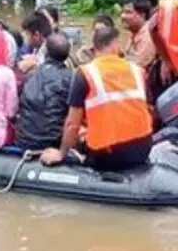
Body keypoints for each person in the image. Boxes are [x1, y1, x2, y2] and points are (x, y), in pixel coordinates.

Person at [41, 26, 153, 172]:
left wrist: (61, 153)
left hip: (108, 155)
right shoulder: (138, 71)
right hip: (143, 149)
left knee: (79, 128)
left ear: (93, 49)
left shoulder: (85, 74)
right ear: (115, 45)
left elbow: (71, 124)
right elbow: (147, 109)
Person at [15, 34, 73, 151]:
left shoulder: (29, 76)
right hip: (55, 142)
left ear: (46, 53)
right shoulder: (71, 79)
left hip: (25, 140)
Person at [119, 0, 156, 68]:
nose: (122, 16)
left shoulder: (148, 35)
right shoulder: (134, 32)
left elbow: (139, 66)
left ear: (142, 15)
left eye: (128, 12)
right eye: (122, 12)